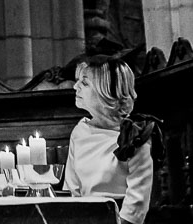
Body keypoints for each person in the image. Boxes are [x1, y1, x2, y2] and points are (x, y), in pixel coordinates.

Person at [61, 58, 154, 224]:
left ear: (106, 93)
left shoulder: (136, 136)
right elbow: (71, 189)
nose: (75, 87)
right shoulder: (80, 131)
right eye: (77, 82)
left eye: (85, 83)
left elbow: (137, 203)